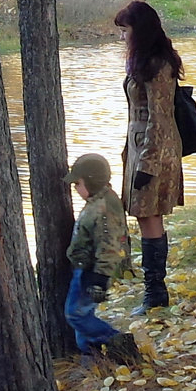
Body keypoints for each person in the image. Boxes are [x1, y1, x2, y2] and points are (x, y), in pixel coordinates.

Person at [113, 0, 184, 316]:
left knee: (150, 216)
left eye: (125, 30)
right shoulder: (143, 62)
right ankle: (153, 292)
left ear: (138, 30)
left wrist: (147, 164)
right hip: (141, 149)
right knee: (145, 217)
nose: (122, 37)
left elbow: (160, 117)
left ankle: (155, 294)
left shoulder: (158, 65)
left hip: (154, 151)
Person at [63, 153, 140, 364]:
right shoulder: (98, 201)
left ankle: (116, 340)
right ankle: (91, 357)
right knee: (83, 312)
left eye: (78, 184)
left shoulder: (104, 209)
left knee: (75, 314)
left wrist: (99, 279)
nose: (76, 189)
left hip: (92, 271)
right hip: (84, 267)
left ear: (91, 181)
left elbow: (109, 247)